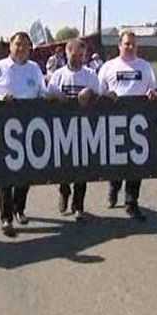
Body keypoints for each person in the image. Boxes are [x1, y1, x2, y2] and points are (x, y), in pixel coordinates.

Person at [0, 31, 47, 237]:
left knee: (25, 173)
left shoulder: (34, 69)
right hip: (3, 129)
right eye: (18, 44)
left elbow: (41, 93)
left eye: (25, 45)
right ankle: (6, 217)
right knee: (5, 175)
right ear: (10, 46)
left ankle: (19, 209)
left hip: (28, 129)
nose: (21, 48)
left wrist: (48, 97)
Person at [97, 30, 157, 220]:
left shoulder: (145, 67)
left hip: (138, 123)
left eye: (133, 44)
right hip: (114, 123)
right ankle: (114, 188)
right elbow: (99, 93)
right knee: (117, 164)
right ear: (119, 45)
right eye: (126, 44)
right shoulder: (108, 67)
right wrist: (108, 96)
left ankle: (132, 203)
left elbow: (153, 88)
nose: (130, 47)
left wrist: (152, 93)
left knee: (136, 165)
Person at [47, 39, 100, 221]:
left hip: (84, 128)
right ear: (67, 53)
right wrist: (55, 95)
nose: (78, 58)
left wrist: (90, 93)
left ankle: (79, 205)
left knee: (81, 169)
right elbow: (47, 95)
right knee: (63, 166)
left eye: (81, 55)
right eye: (74, 54)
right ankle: (64, 191)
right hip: (61, 128)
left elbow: (99, 97)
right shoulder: (58, 75)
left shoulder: (91, 75)